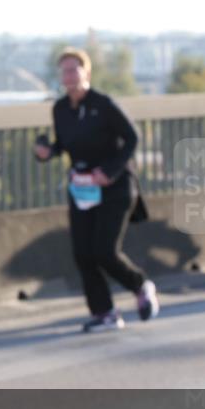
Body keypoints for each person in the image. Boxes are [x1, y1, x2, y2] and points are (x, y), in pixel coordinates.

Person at [34, 47, 159, 332]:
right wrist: (47, 151)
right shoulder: (61, 109)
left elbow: (132, 137)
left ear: (86, 72)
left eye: (73, 69)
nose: (68, 75)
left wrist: (110, 170)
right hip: (82, 189)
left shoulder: (104, 104)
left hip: (115, 187)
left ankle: (140, 286)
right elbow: (63, 143)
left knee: (104, 250)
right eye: (63, 70)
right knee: (83, 253)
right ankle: (105, 313)